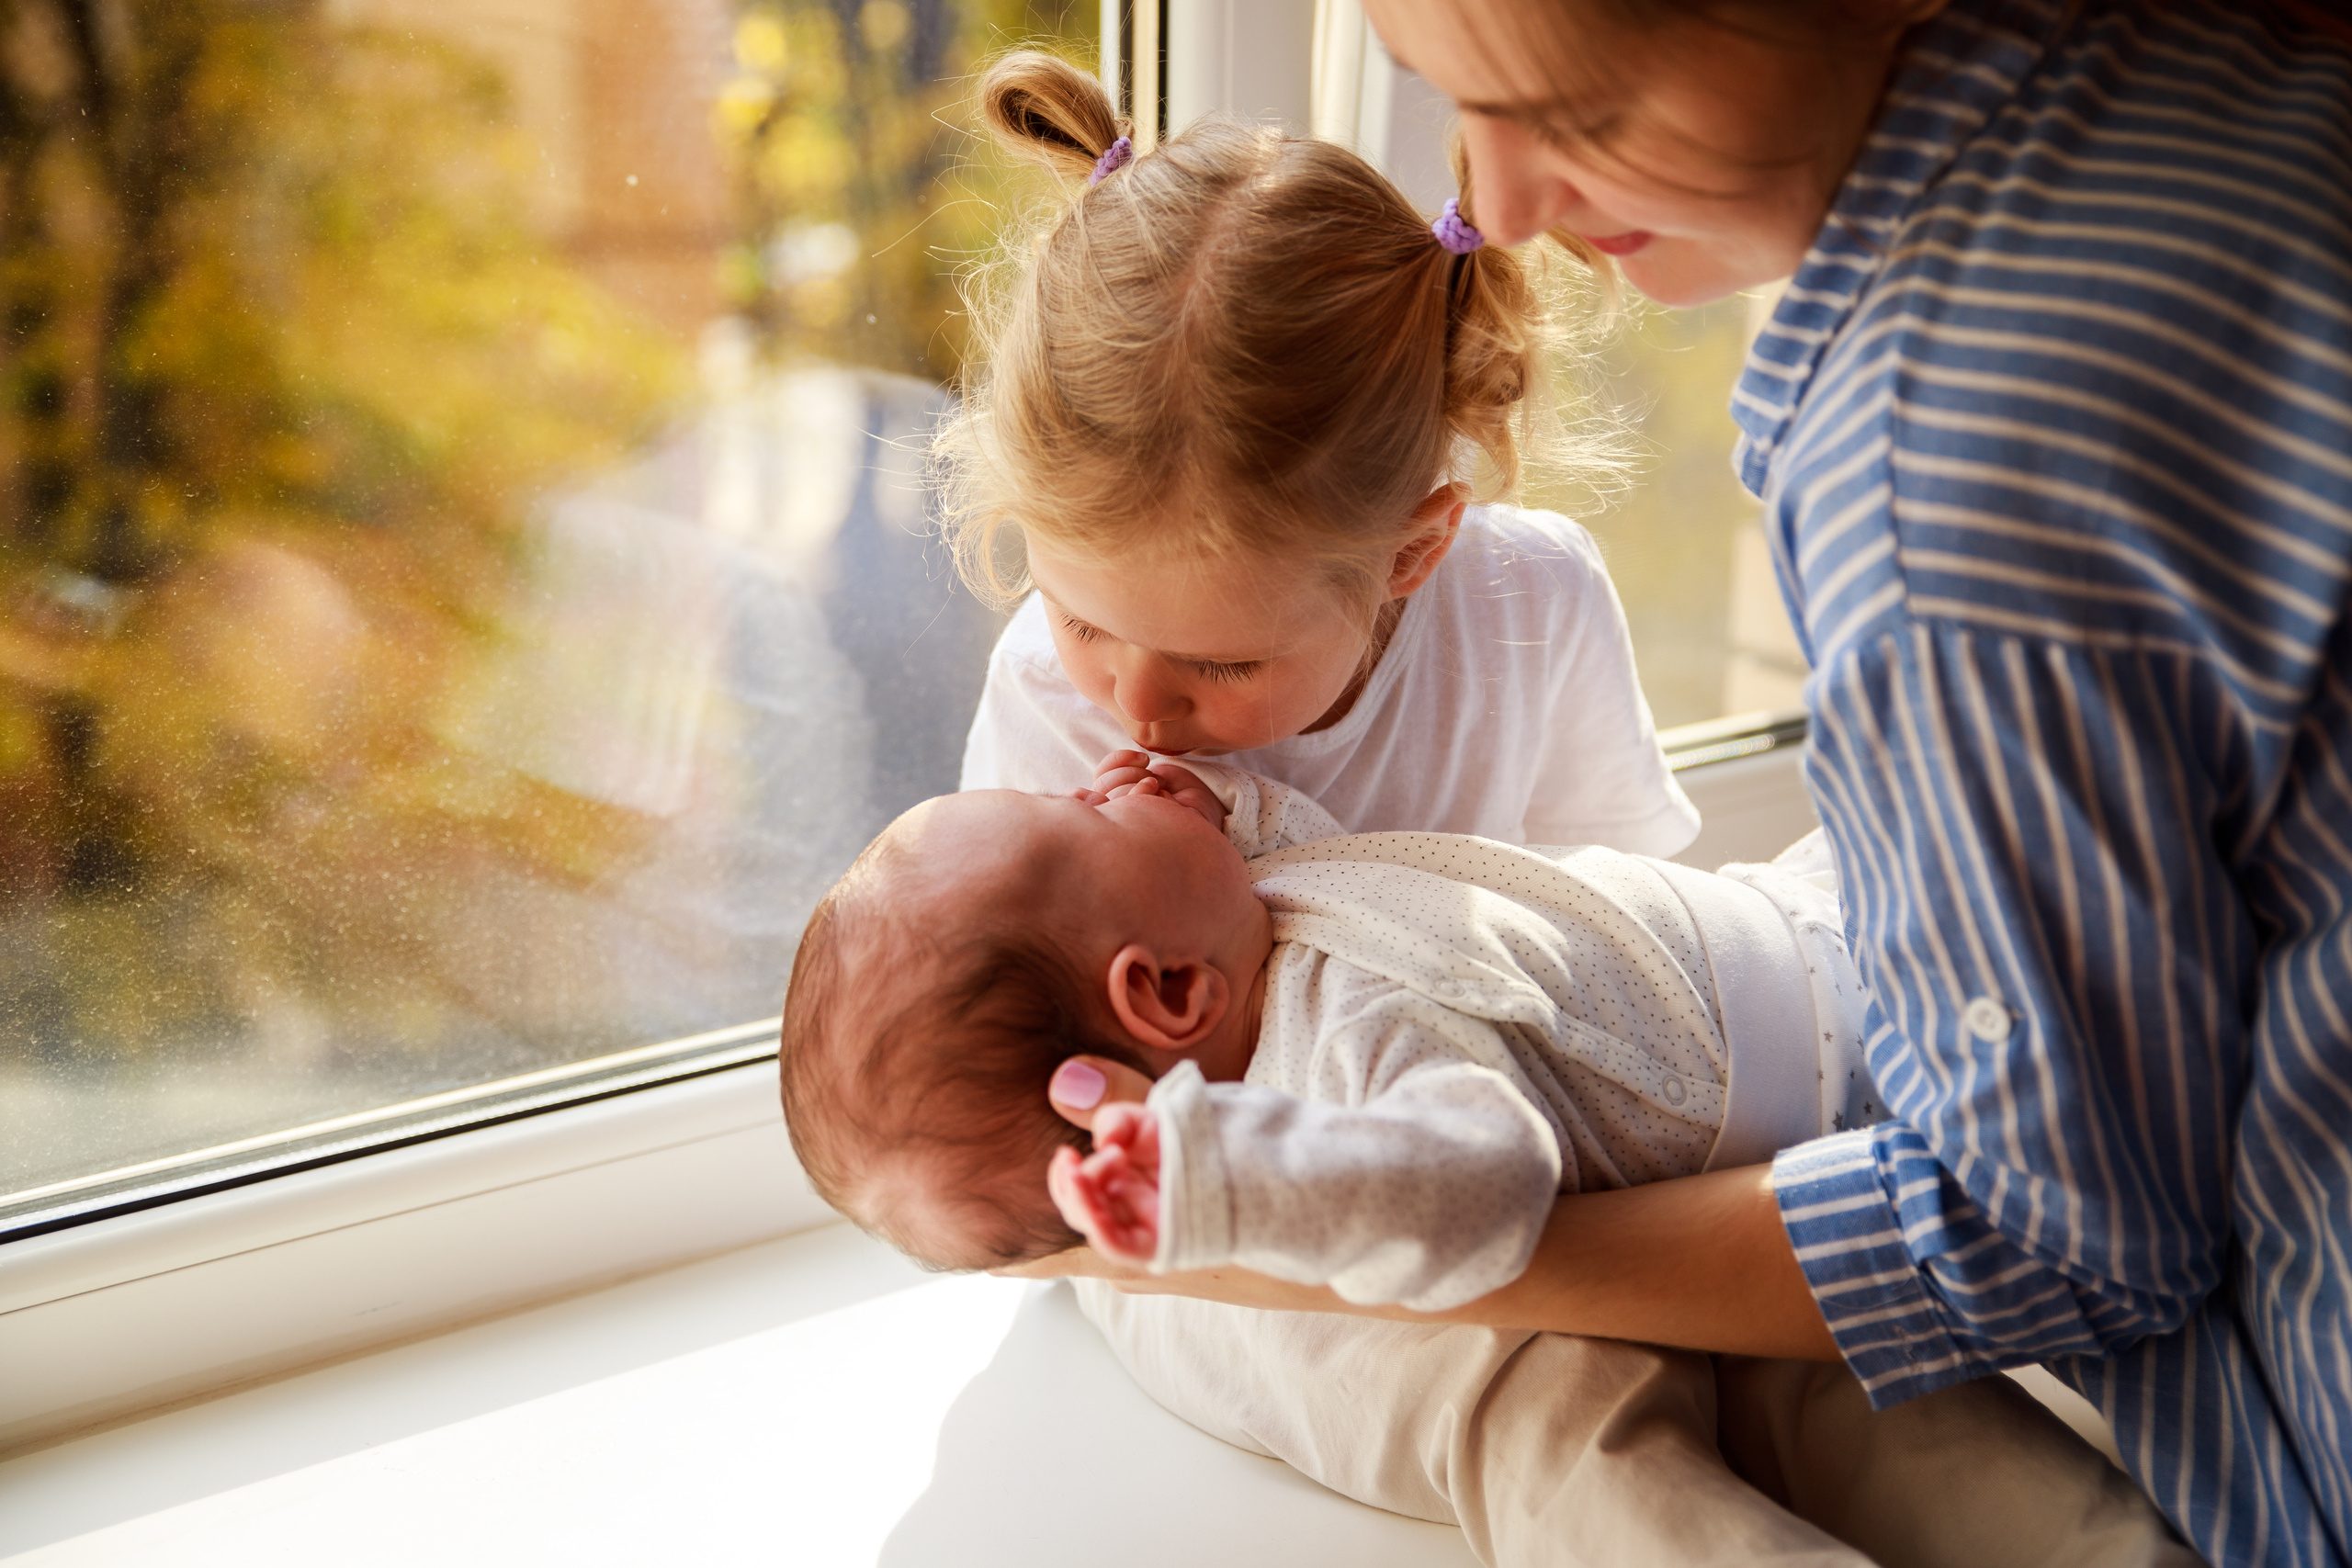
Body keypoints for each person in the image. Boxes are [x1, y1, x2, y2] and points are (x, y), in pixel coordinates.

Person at [1028, 4, 2352, 1563]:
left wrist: (1364, 1231)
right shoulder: (2254, 88)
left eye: (1571, 104)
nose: (1495, 209)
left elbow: (2051, 1232)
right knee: (1558, 1424)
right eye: (1454, 102)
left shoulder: (1936, 500)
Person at [778, 754, 2190, 1566]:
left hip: (1818, 915)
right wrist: (1242, 1178)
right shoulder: (1344, 1066)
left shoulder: (1258, 923)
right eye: (1084, 811)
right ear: (1163, 997)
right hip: (1883, 1042)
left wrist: (1192, 810)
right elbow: (1481, 1185)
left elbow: (1312, 859)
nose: (1112, 768)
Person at [946, 51, 1696, 855]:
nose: (1138, 707)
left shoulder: (1534, 606)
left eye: (1224, 665)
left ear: (1412, 549)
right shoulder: (1046, 696)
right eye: (1079, 620)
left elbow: (1619, 908)